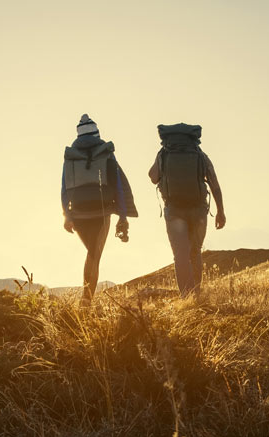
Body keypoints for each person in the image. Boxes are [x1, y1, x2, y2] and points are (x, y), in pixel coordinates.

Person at [60, 114, 137, 303]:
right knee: (94, 254)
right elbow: (118, 184)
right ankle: (86, 300)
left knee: (92, 253)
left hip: (78, 214)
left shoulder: (71, 156)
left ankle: (86, 299)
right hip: (102, 212)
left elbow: (64, 187)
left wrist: (66, 215)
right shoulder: (106, 153)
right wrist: (123, 215)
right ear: (97, 133)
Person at [147, 123, 225, 296]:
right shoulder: (199, 154)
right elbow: (215, 184)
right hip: (198, 210)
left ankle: (186, 296)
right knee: (195, 251)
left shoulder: (164, 154)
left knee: (180, 255)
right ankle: (196, 293)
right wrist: (220, 211)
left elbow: (153, 177)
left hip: (174, 210)